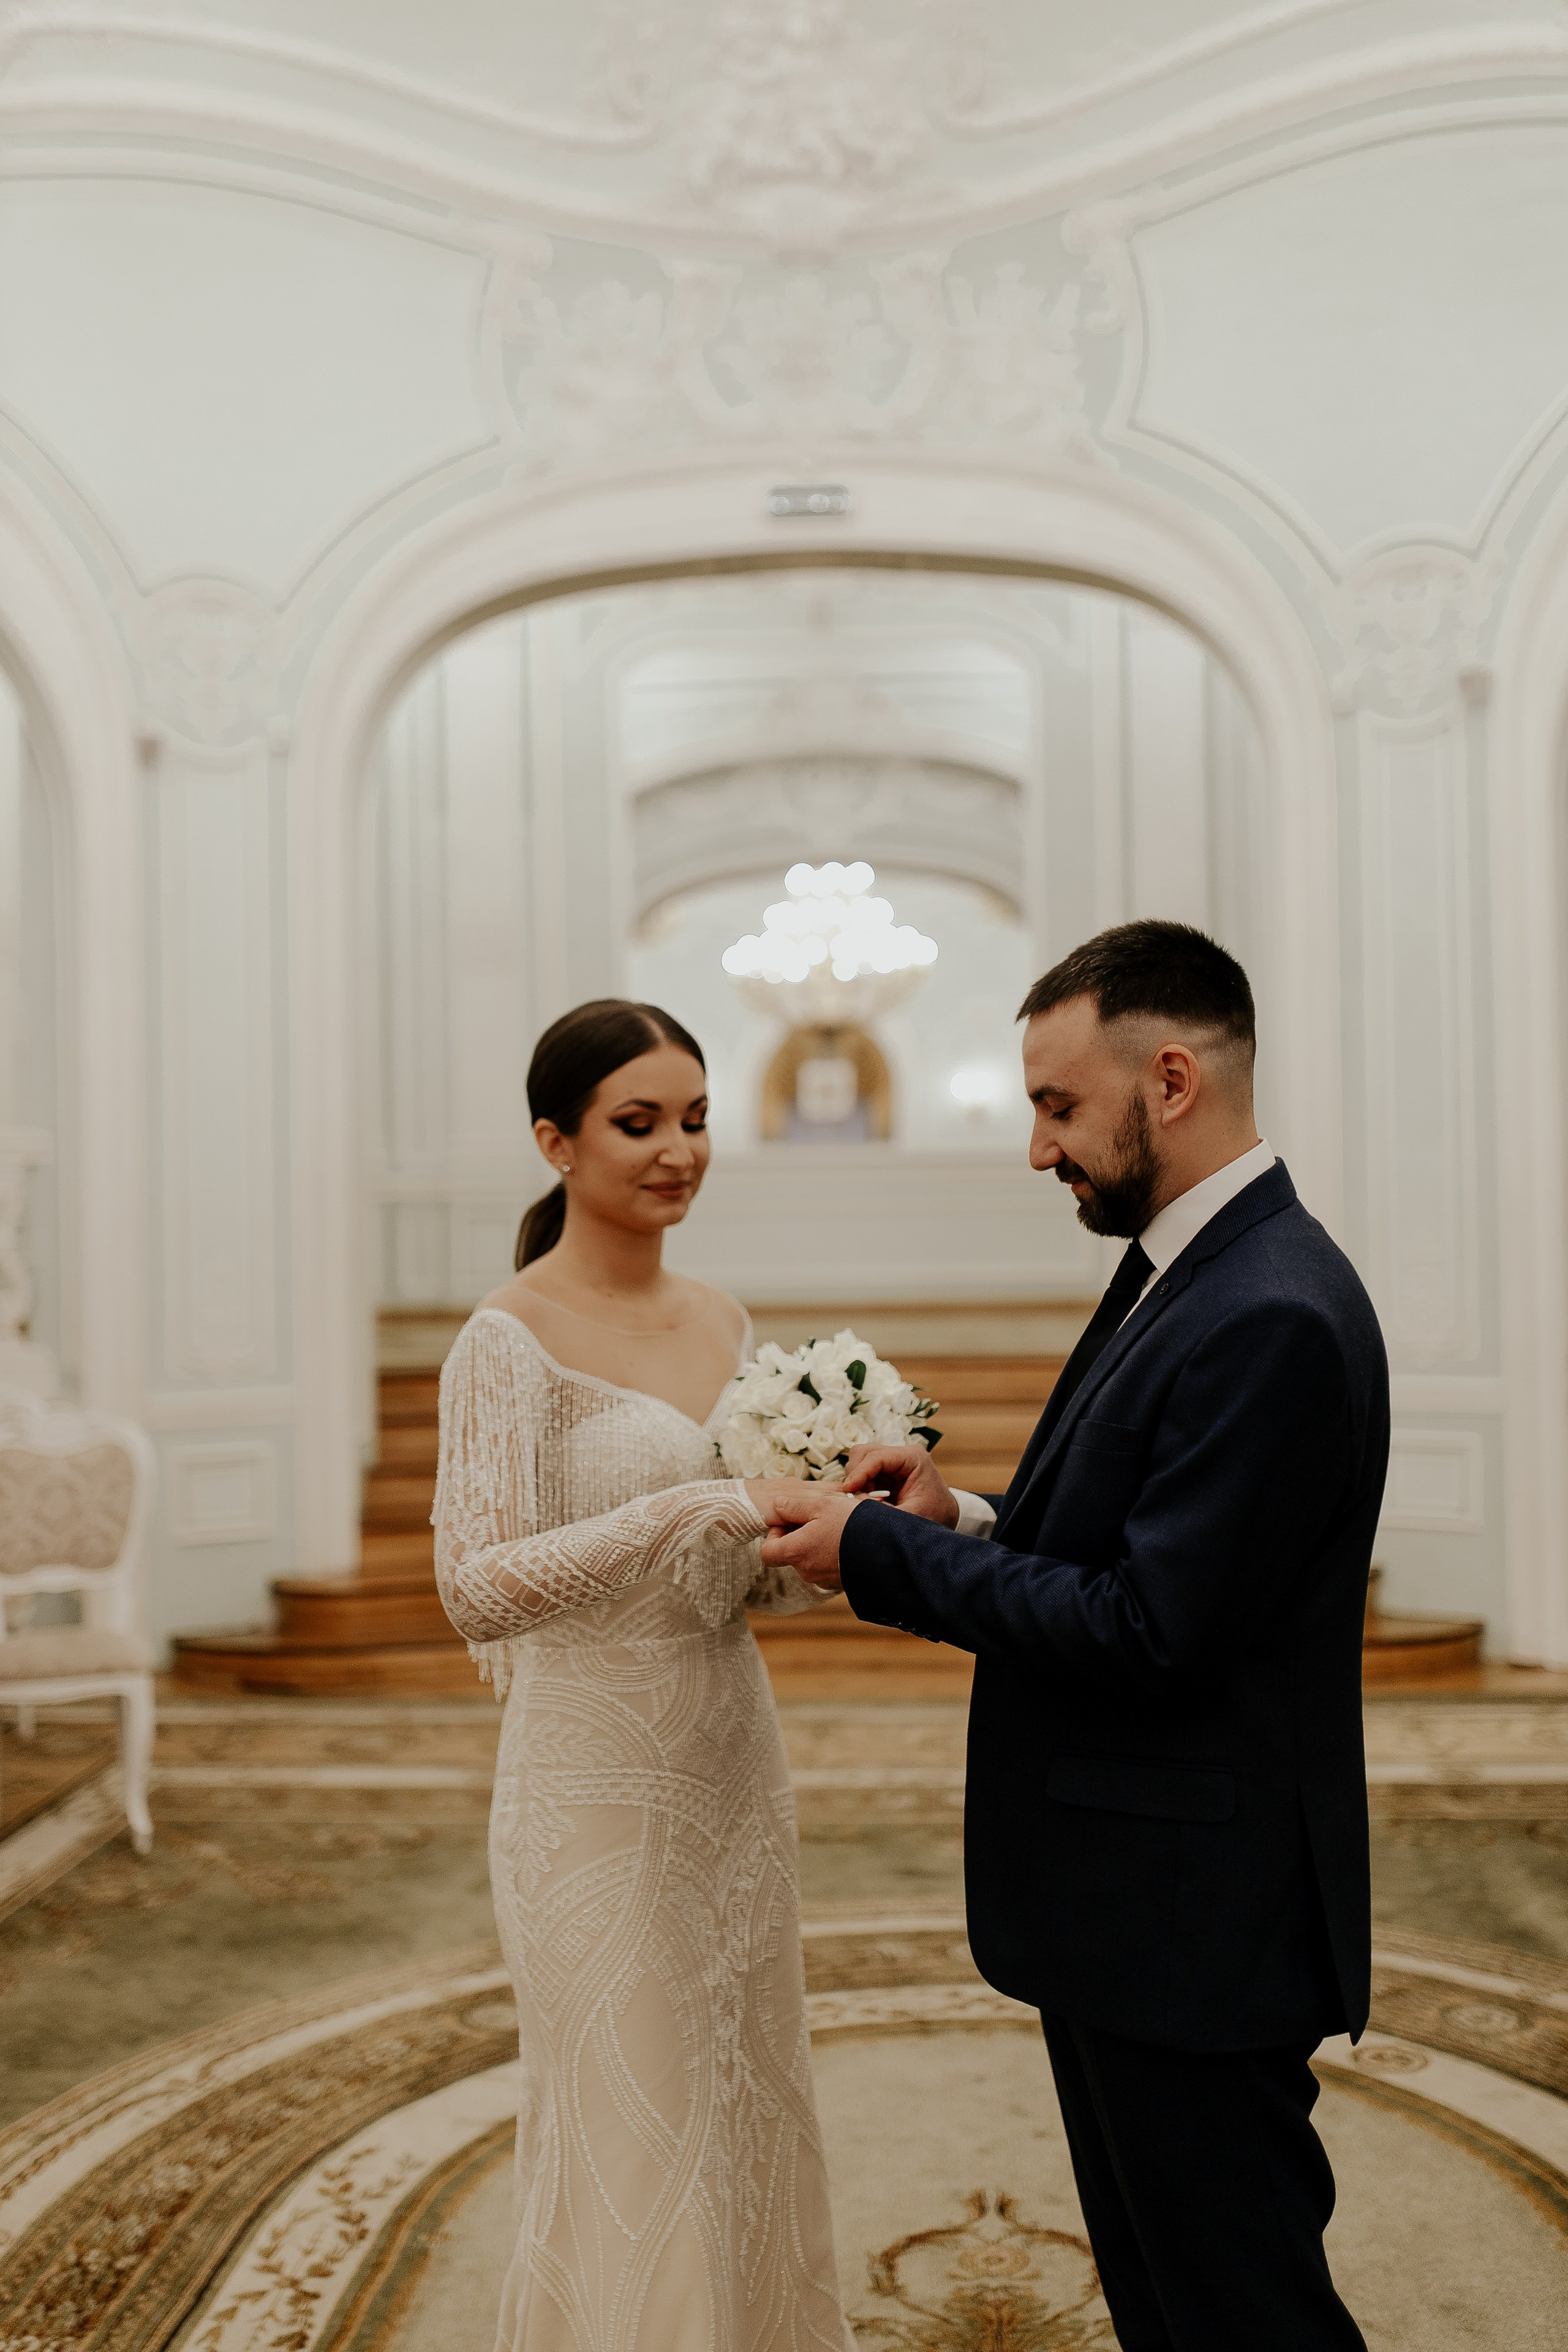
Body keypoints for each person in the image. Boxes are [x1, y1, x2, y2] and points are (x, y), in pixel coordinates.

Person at [758, 920, 1389, 2352]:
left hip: (1193, 1922)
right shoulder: (1199, 1265)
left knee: (1241, 2315)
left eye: (1056, 1105)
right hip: (1137, 1900)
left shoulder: (1271, 1310)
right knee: (1168, 2304)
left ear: (1168, 1080)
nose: (1037, 1147)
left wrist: (881, 1556)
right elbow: (1141, 1542)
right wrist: (965, 1519)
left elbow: (1152, 1631)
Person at [433, 998, 851, 2352]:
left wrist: (840, 1540)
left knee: (743, 2097)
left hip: (730, 1763)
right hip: (588, 1792)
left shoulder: (724, 1319)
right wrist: (693, 1508)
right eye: (638, 1123)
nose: (678, 1151)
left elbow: (746, 1582)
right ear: (556, 1142)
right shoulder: (506, 1338)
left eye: (696, 1119)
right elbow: (474, 1583)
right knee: (631, 2120)